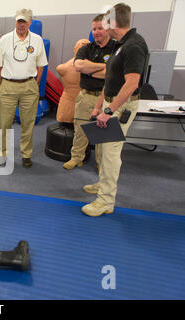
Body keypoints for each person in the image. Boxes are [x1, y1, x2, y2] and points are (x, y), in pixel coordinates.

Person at [81, 3, 149, 217]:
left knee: (111, 154)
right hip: (110, 103)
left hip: (121, 108)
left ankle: (106, 201)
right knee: (102, 148)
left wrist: (109, 111)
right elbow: (111, 80)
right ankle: (103, 184)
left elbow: (131, 85)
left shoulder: (134, 46)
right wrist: (100, 104)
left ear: (112, 22)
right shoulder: (121, 44)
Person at [0, 8, 48, 168]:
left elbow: (41, 65)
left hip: (29, 87)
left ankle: (26, 154)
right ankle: (2, 154)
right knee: (4, 123)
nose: (21, 24)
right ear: (15, 21)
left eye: (24, 21)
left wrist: (34, 83)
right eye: (19, 21)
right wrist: (0, 87)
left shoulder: (37, 40)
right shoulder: (5, 39)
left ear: (30, 22)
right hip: (8, 86)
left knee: (28, 123)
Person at [63, 14, 116, 171]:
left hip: (105, 97)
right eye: (94, 29)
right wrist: (103, 67)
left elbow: (112, 73)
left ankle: (101, 164)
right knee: (80, 130)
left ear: (108, 29)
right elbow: (78, 66)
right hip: (85, 96)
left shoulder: (116, 48)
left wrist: (90, 69)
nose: (96, 32)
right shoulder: (87, 48)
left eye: (100, 28)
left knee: (103, 135)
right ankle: (76, 158)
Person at [55, 38, 90, 124]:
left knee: (83, 131)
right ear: (74, 49)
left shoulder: (93, 68)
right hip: (68, 103)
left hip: (85, 104)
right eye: (81, 47)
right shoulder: (63, 68)